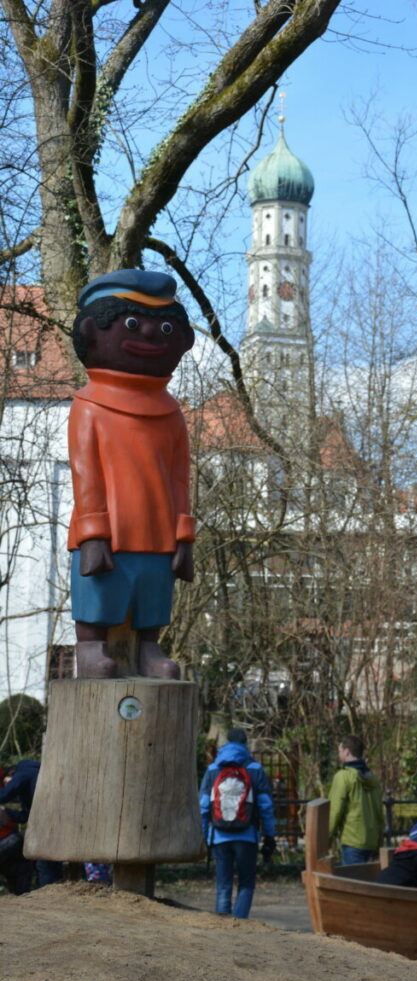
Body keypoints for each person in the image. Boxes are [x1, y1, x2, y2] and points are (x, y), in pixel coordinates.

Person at [68, 268, 195, 679]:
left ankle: (149, 647)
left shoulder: (171, 410)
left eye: (163, 326)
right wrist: (92, 533)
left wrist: (183, 534)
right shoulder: (90, 406)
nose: (150, 336)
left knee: (153, 590)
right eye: (132, 324)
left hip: (158, 530)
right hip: (110, 529)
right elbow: (85, 474)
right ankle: (90, 646)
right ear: (92, 331)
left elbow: (179, 476)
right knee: (102, 588)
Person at [199, 728, 276, 918]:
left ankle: (223, 927)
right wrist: (269, 836)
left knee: (223, 884)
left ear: (226, 743)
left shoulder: (213, 769)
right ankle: (240, 925)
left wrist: (204, 835)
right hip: (247, 836)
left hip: (219, 836)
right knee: (246, 882)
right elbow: (266, 807)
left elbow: (203, 807)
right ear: (245, 743)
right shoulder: (255, 769)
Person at [0, 760, 63, 886]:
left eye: (6, 782)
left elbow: (6, 794)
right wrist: (6, 811)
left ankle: (48, 895)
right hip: (53, 820)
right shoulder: (30, 787)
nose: (6, 785)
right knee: (50, 862)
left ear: (11, 774)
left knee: (44, 862)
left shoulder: (24, 769)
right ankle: (53, 891)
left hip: (48, 820)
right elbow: (25, 816)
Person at [328, 734, 384, 865]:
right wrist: (379, 842)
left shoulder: (343, 777)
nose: (339, 754)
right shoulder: (373, 779)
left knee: (351, 883)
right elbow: (379, 813)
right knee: (366, 884)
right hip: (371, 841)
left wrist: (325, 839)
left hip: (352, 840)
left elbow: (334, 811)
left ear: (347, 752)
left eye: (340, 751)